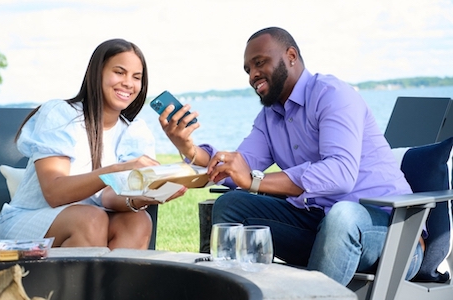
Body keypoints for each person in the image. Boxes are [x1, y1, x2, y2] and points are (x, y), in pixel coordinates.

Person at [157, 27, 424, 285]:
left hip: (392, 233)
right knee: (231, 204)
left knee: (343, 216)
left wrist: (255, 181)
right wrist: (188, 148)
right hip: (318, 224)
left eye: (260, 62)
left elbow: (340, 174)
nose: (253, 75)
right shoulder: (270, 116)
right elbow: (240, 165)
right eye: (248, 69)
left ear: (291, 56)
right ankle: (240, 292)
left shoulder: (332, 95)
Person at [0, 38, 186, 250]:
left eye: (136, 77)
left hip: (91, 220)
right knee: (91, 219)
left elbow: (108, 198)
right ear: (98, 73)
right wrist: (117, 169)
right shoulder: (61, 114)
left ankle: (113, 285)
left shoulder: (134, 132)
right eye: (119, 72)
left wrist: (148, 195)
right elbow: (54, 193)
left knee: (138, 221)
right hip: (30, 222)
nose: (128, 83)